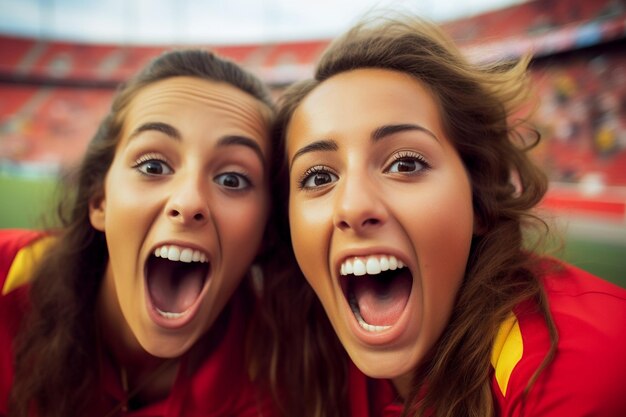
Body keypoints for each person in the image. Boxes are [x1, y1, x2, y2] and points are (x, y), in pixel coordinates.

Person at [273, 15, 626, 417]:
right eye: (319, 176)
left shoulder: (578, 364)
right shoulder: (291, 347)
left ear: (480, 199)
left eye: (405, 164)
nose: (352, 207)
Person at [0, 49, 283, 417]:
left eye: (232, 179)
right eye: (153, 165)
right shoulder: (8, 272)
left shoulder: (281, 382)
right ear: (100, 200)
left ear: (264, 232)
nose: (189, 201)